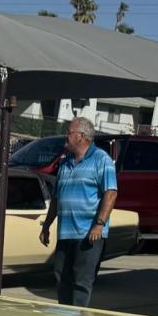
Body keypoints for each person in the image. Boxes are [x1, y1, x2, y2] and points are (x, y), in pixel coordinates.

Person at [39, 118, 118, 306]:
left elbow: (111, 193)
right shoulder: (65, 163)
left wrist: (99, 224)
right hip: (66, 233)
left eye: (69, 132)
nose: (66, 136)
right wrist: (47, 225)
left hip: (88, 234)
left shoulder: (101, 159)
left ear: (82, 136)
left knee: (81, 282)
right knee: (61, 278)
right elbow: (57, 198)